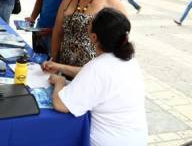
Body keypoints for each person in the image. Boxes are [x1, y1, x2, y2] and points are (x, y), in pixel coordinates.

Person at [49, 8, 148, 146]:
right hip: (137, 139)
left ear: (94, 38)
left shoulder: (97, 67)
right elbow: (92, 76)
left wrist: (59, 82)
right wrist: (60, 67)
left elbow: (60, 104)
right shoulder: (129, 60)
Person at [42, 0, 126, 78]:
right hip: (64, 68)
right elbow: (57, 32)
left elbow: (123, 37)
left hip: (90, 75)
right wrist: (54, 59)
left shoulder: (111, 3)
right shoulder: (68, 0)